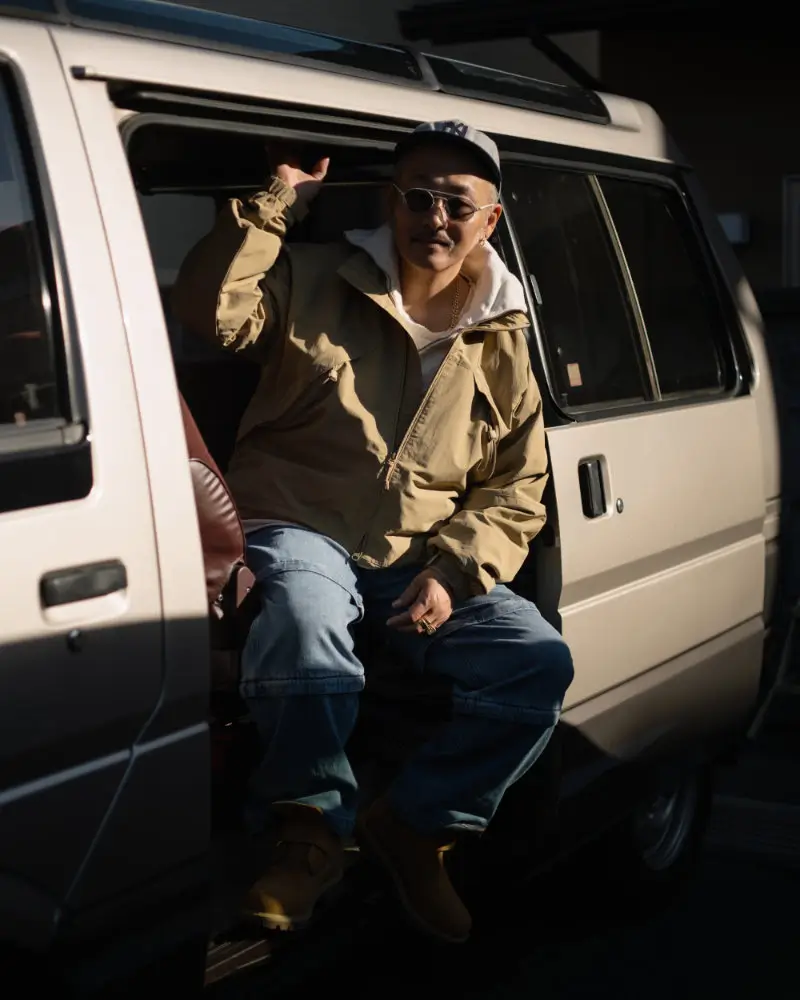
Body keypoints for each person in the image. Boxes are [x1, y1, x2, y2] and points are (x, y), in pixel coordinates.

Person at [173, 120, 574, 945]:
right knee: (308, 620)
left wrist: (455, 573)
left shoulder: (505, 336)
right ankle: (310, 832)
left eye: (456, 204)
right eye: (418, 197)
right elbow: (211, 316)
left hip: (421, 554)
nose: (435, 216)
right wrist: (276, 203)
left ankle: (417, 825)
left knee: (535, 663)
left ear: (488, 220)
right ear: (392, 205)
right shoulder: (318, 278)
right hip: (300, 521)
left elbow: (516, 487)